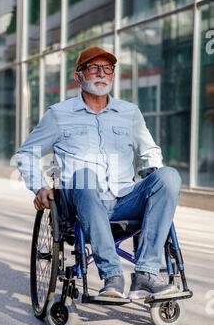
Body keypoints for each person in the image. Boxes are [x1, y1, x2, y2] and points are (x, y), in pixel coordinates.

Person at [16, 46, 181, 299]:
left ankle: (146, 274)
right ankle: (112, 275)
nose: (101, 74)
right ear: (78, 76)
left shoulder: (129, 113)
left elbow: (149, 152)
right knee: (84, 175)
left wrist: (153, 180)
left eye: (107, 69)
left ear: (113, 76)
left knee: (169, 176)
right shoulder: (59, 115)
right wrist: (40, 187)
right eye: (93, 68)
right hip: (80, 200)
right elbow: (27, 152)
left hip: (125, 197)